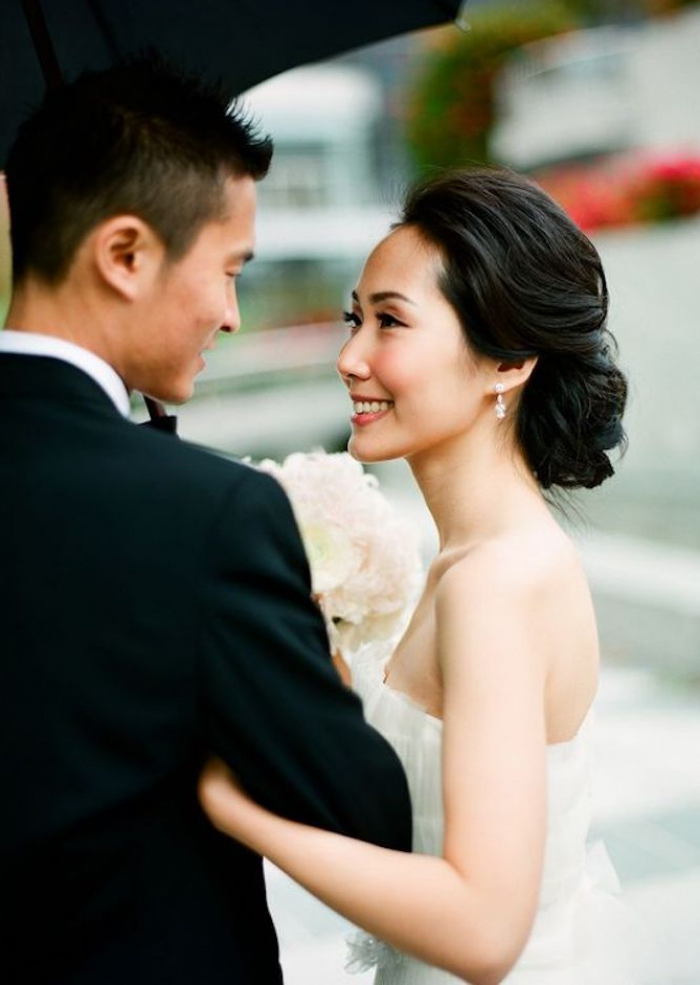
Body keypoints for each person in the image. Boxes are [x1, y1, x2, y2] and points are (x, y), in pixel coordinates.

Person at [0, 58, 412, 985]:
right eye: (229, 271)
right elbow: (363, 808)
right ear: (125, 255)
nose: (230, 316)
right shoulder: (205, 514)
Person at [199, 167, 634, 985]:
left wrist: (232, 808)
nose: (349, 357)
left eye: (390, 323)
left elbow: (480, 931)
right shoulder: (470, 561)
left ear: (507, 362)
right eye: (353, 318)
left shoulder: (493, 584)